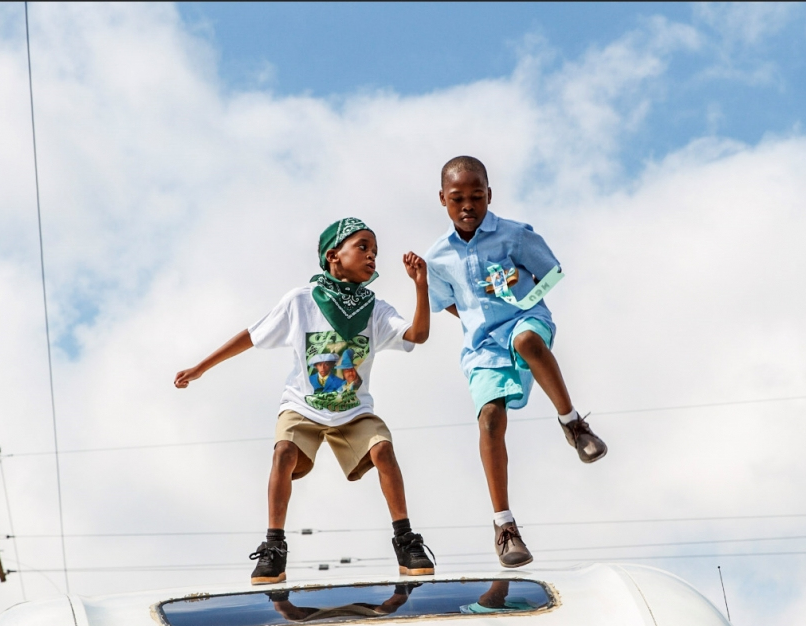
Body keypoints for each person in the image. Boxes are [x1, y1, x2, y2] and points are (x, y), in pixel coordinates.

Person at [175, 217, 435, 584]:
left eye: (375, 251)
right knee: (283, 452)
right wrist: (202, 367)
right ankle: (273, 547)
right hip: (303, 406)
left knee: (383, 450)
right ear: (334, 256)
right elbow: (251, 335)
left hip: (353, 410)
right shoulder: (300, 301)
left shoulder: (376, 309)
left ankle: (405, 540)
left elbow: (418, 335)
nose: (372, 256)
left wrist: (420, 287)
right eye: (363, 247)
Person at [424, 156, 609, 569]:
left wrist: (518, 289)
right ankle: (504, 526)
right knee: (489, 418)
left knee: (526, 340)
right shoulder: (438, 256)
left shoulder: (514, 235)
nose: (468, 205)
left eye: (477, 196)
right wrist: (477, 316)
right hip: (482, 345)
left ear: (490, 195)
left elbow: (550, 271)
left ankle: (573, 424)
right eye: (458, 199)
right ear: (443, 200)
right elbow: (448, 302)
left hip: (526, 320)